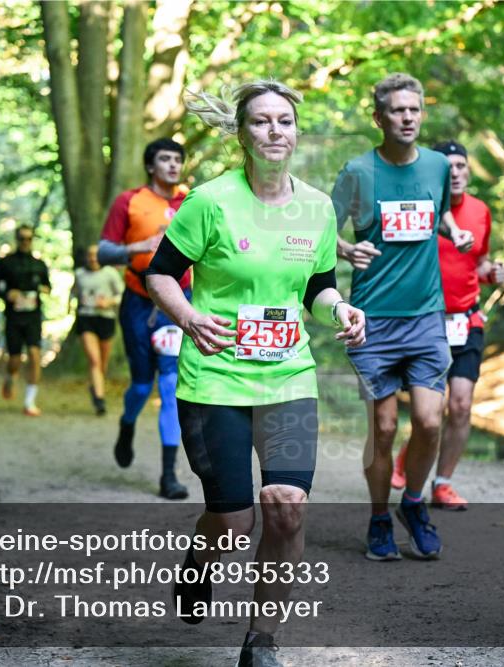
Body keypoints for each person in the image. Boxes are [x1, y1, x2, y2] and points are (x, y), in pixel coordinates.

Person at [147, 80, 365, 667]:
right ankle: (199, 565)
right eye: (262, 121)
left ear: (296, 131)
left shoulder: (318, 207)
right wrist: (190, 318)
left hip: (287, 376)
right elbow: (160, 273)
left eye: (285, 121)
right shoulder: (210, 201)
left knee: (287, 505)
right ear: (242, 134)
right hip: (215, 377)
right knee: (233, 519)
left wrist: (340, 309)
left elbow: (319, 287)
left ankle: (261, 640)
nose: (276, 131)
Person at [331, 73, 473, 561]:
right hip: (372, 320)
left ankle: (413, 504)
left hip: (426, 317)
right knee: (386, 428)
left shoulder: (436, 166)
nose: (407, 118)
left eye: (414, 110)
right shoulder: (357, 171)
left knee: (432, 422)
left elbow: (438, 216)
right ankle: (377, 517)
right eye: (397, 110)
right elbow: (321, 232)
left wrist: (453, 231)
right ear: (379, 117)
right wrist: (347, 249)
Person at [391, 140, 504, 510]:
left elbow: (478, 263)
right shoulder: (420, 211)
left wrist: (495, 273)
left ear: (468, 172)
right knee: (432, 408)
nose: (455, 172)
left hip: (467, 321)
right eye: (448, 166)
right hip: (425, 324)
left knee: (460, 406)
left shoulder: (480, 211)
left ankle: (442, 484)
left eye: (461, 165)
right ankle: (409, 456)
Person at [99, 138, 191, 500]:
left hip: (178, 299)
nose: (172, 165)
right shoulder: (129, 201)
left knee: (169, 383)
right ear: (151, 166)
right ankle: (126, 424)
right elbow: (104, 251)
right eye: (165, 159)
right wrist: (136, 247)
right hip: (138, 298)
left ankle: (169, 475)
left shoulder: (193, 201)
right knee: (141, 384)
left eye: (177, 159)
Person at [0, 225, 51, 417]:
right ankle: (10, 376)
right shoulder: (6, 263)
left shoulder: (39, 265)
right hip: (14, 317)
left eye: (29, 239)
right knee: (15, 358)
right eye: (22, 238)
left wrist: (41, 289)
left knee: (34, 355)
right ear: (17, 239)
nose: (25, 242)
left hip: (33, 316)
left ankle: (29, 401)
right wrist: (7, 293)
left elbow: (48, 287)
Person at [71, 244, 124, 415]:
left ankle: (95, 387)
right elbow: (74, 293)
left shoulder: (110, 273)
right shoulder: (79, 274)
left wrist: (109, 302)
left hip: (106, 319)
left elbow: (122, 294)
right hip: (86, 318)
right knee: (94, 360)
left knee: (102, 363)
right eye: (90, 255)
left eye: (96, 255)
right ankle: (100, 401)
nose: (93, 258)